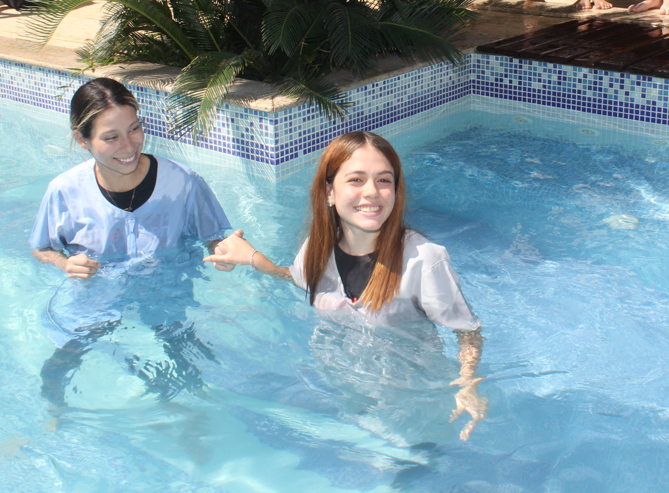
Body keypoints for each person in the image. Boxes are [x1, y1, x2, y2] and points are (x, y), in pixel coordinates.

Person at [208, 131, 488, 441]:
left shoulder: (424, 260)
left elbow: (467, 330)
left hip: (414, 404)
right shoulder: (317, 248)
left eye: (384, 180)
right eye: (356, 180)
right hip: (345, 391)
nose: (372, 192)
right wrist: (255, 260)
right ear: (329, 192)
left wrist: (468, 384)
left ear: (396, 191)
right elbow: (299, 279)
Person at [30, 78, 233, 406]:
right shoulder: (64, 191)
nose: (128, 146)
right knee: (62, 362)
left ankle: (195, 416)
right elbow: (42, 247)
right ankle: (55, 415)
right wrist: (66, 264)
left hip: (168, 292)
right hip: (97, 297)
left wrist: (221, 251)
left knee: (189, 365)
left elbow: (213, 237)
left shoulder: (182, 182)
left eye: (134, 129)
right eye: (111, 137)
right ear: (83, 140)